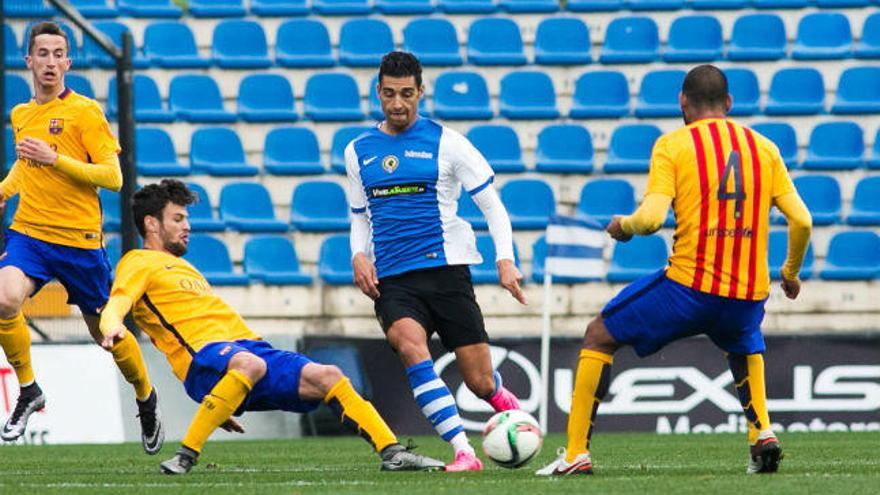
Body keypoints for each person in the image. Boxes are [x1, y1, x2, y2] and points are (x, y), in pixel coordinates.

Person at [536, 65, 812, 476]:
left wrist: (623, 227)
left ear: (682, 102)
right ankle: (762, 435)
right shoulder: (764, 148)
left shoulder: (673, 144)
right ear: (730, 104)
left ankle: (576, 454)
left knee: (599, 334)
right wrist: (789, 273)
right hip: (747, 294)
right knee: (742, 343)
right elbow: (803, 220)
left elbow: (650, 220)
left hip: (689, 289)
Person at [99, 179, 444, 474]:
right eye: (178, 218)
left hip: (247, 350)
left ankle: (393, 452)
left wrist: (219, 402)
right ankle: (185, 456)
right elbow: (121, 302)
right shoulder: (138, 261)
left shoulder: (185, 269)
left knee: (329, 376)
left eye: (186, 218)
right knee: (250, 364)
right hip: (208, 359)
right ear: (152, 224)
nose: (187, 225)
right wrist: (112, 325)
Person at [345, 51, 525, 472]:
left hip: (447, 273)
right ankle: (464, 451)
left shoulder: (449, 143)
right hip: (393, 279)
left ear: (421, 92)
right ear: (378, 93)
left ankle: (520, 424)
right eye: (389, 94)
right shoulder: (358, 151)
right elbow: (359, 216)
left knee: (481, 383)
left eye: (406, 94)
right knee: (410, 347)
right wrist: (357, 254)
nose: (397, 104)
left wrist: (505, 260)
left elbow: (493, 208)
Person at [0, 21, 161, 452]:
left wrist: (57, 160)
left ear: (68, 63)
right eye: (43, 54)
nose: (50, 62)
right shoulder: (21, 114)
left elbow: (113, 176)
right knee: (3, 298)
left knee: (108, 334)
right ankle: (30, 390)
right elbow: (25, 166)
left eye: (58, 54)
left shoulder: (86, 112)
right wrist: (3, 191)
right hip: (30, 234)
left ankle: (145, 396)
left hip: (79, 242)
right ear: (28, 60)